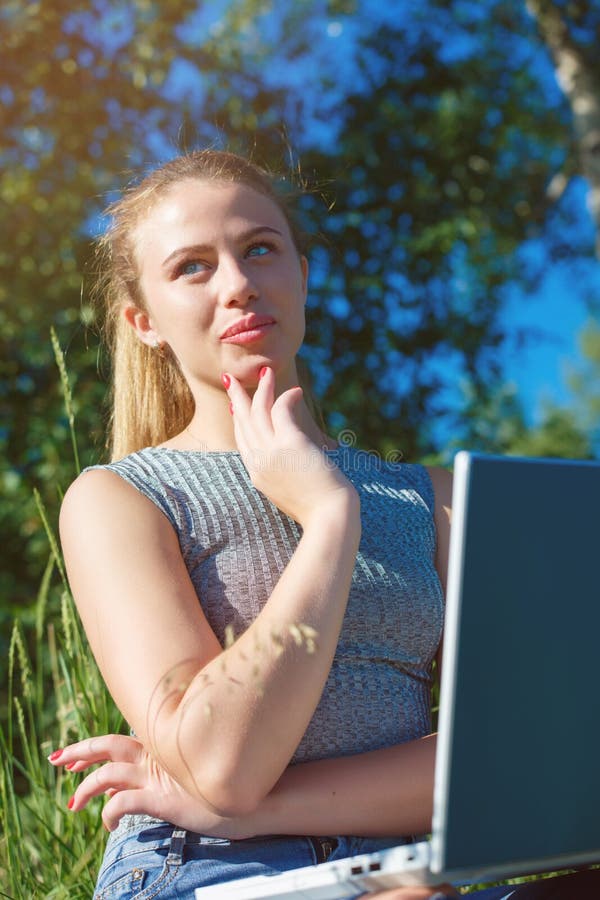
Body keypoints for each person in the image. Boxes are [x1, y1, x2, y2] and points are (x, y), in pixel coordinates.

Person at [48, 150, 594, 900]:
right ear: (144, 321)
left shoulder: (431, 499)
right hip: (206, 868)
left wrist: (265, 807)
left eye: (260, 249)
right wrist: (329, 517)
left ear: (301, 273)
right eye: (193, 267)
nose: (239, 284)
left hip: (405, 871)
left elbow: (517, 753)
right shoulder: (119, 498)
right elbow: (220, 764)